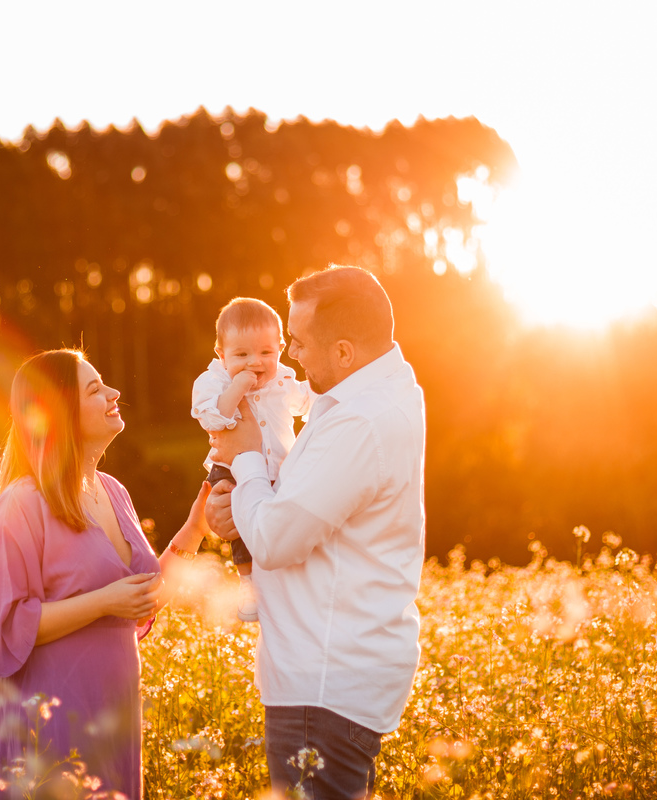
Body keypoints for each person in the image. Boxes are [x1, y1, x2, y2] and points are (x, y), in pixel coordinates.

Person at [207, 266, 426, 800]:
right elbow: (294, 511)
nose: (291, 357)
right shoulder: (375, 393)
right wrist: (239, 507)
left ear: (345, 352)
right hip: (331, 679)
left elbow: (276, 541)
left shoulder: (360, 420)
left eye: (299, 343)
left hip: (322, 685)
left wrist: (246, 458)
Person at [0, 349, 210, 800]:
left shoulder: (114, 492)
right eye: (95, 389)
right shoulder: (21, 504)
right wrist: (103, 602)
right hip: (53, 711)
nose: (114, 393)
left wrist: (194, 530)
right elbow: (5, 627)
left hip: (114, 710)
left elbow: (141, 598)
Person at [190, 297, 312, 621]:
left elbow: (305, 401)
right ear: (221, 354)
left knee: (280, 525)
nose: (255, 363)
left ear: (281, 349)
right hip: (231, 466)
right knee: (240, 520)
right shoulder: (214, 380)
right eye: (242, 355)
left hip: (280, 468)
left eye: (265, 353)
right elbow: (213, 418)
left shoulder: (282, 379)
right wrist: (238, 386)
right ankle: (247, 582)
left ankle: (286, 583)